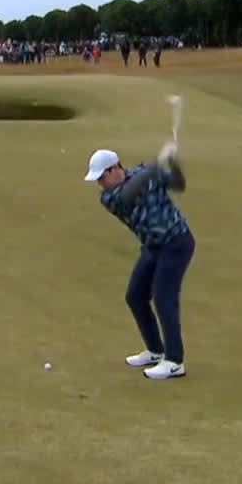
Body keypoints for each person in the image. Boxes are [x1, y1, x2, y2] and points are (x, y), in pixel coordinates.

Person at [84, 143, 196, 380]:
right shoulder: (110, 197)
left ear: (116, 169)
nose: (99, 183)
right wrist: (156, 165)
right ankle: (156, 351)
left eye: (102, 177)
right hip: (153, 246)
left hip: (176, 241)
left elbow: (179, 184)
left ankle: (175, 361)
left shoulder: (143, 173)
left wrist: (174, 165)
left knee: (164, 298)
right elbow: (129, 193)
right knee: (135, 296)